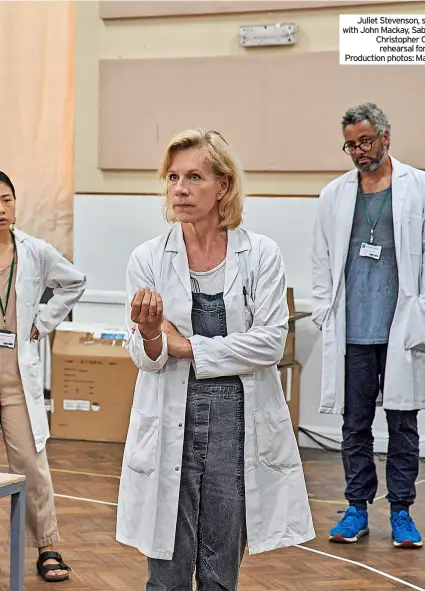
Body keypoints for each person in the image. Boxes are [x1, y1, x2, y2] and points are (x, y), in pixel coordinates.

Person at [116, 128, 315, 590]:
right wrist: (150, 335)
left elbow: (269, 344)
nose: (179, 189)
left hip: (236, 420)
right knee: (166, 565)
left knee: (221, 561)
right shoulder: (148, 258)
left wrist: (184, 344)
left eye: (193, 177)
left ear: (222, 186)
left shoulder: (260, 254)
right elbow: (146, 357)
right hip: (171, 414)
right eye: (172, 177)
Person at [311, 103, 425, 549]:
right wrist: (321, 310)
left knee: (402, 423)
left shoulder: (420, 186)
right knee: (355, 425)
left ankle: (403, 511)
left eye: (365, 141)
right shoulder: (334, 194)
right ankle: (356, 509)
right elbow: (321, 259)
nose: (358, 151)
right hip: (352, 330)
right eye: (350, 144)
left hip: (401, 328)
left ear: (386, 136)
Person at [0, 171, 86, 580]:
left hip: (17, 382)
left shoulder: (34, 251)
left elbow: (74, 282)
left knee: (32, 466)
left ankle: (48, 547)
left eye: (6, 199)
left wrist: (44, 320)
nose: (1, 209)